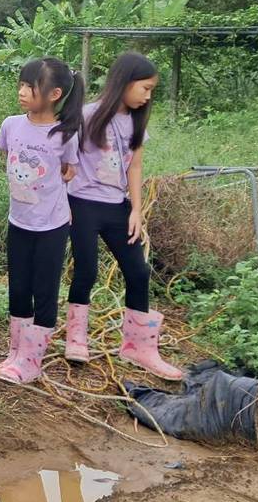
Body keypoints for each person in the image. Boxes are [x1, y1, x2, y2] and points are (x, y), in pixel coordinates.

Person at [64, 51, 183, 380]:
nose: (147, 95)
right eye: (144, 88)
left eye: (151, 90)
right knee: (86, 269)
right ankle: (76, 339)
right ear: (125, 82)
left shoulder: (136, 122)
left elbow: (136, 166)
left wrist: (135, 210)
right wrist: (62, 204)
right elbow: (65, 161)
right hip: (83, 204)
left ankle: (138, 348)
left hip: (117, 206)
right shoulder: (87, 116)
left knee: (138, 270)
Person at [0, 57, 84, 384]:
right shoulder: (11, 125)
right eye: (21, 84)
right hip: (19, 222)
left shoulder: (64, 135)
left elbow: (69, 170)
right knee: (18, 288)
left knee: (43, 291)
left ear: (55, 93)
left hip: (52, 226)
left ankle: (31, 362)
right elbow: (9, 156)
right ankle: (16, 353)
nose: (22, 92)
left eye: (31, 87)